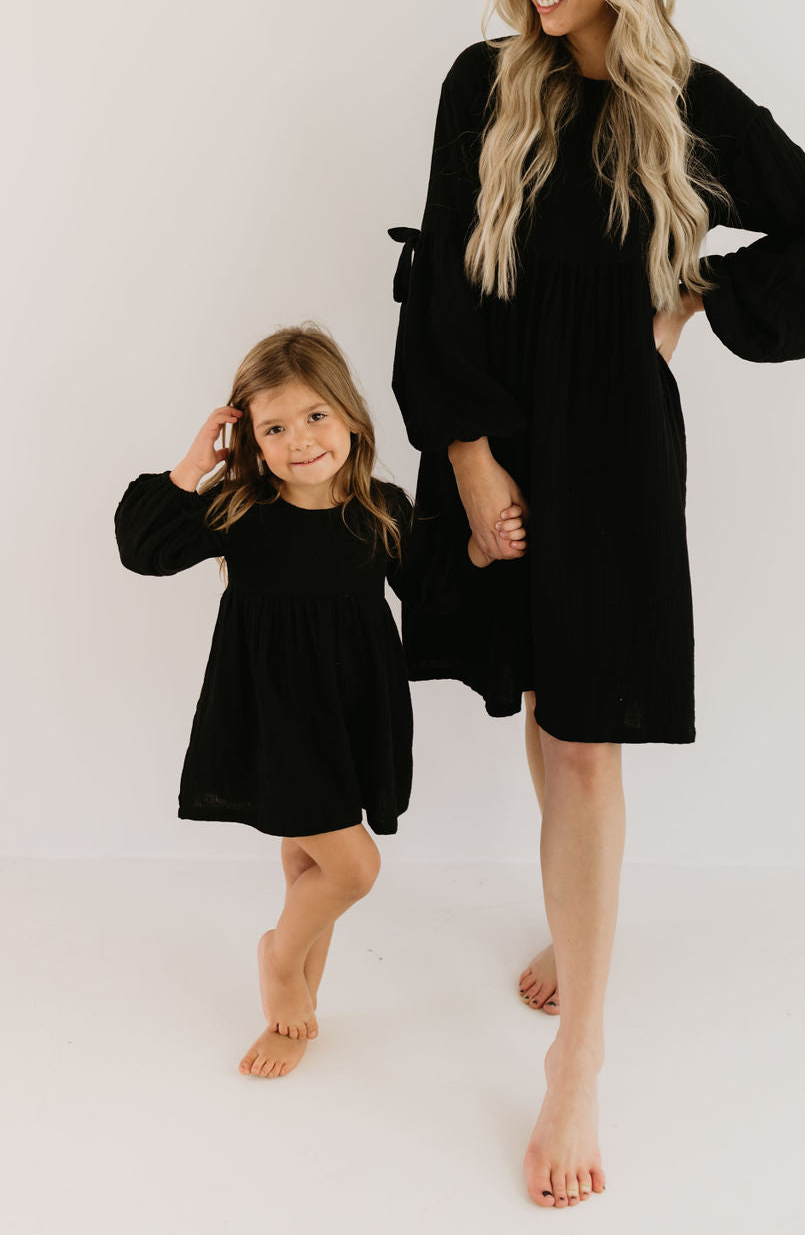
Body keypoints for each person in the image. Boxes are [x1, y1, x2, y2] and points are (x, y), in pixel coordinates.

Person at [390, 0, 805, 1207]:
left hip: (615, 451)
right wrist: (474, 461)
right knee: (541, 703)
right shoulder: (480, 86)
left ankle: (581, 1047)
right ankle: (581, 925)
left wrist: (698, 300)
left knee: (586, 738)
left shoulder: (688, 101)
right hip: (496, 432)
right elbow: (440, 283)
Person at [115, 322, 523, 1080]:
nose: (300, 440)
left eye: (315, 417)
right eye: (274, 427)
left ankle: (294, 1019)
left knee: (312, 866)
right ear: (250, 443)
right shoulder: (239, 510)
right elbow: (142, 548)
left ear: (350, 419)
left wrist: (479, 548)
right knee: (354, 868)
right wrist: (189, 466)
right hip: (276, 717)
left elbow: (433, 595)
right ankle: (278, 960)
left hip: (348, 713)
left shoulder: (381, 509)